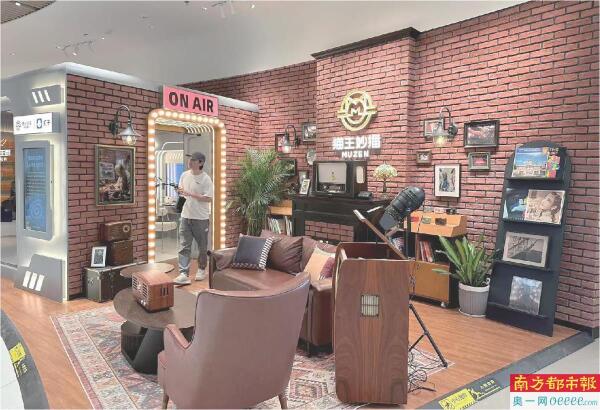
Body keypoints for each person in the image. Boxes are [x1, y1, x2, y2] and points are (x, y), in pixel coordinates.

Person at [173, 152, 213, 285]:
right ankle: (183, 273)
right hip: (186, 216)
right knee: (184, 246)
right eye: (189, 159)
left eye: (193, 160)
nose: (190, 162)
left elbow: (208, 198)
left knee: (202, 246)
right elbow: (183, 194)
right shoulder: (184, 175)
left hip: (200, 218)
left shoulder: (206, 179)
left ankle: (201, 269)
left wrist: (191, 194)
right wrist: (180, 192)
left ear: (201, 163)